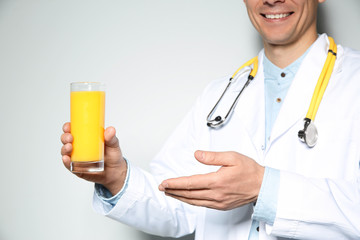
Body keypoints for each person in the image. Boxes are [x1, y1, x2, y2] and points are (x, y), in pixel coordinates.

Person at [61, 0, 360, 239]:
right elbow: (179, 205)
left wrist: (265, 188)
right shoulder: (219, 95)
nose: (272, 0)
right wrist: (117, 179)